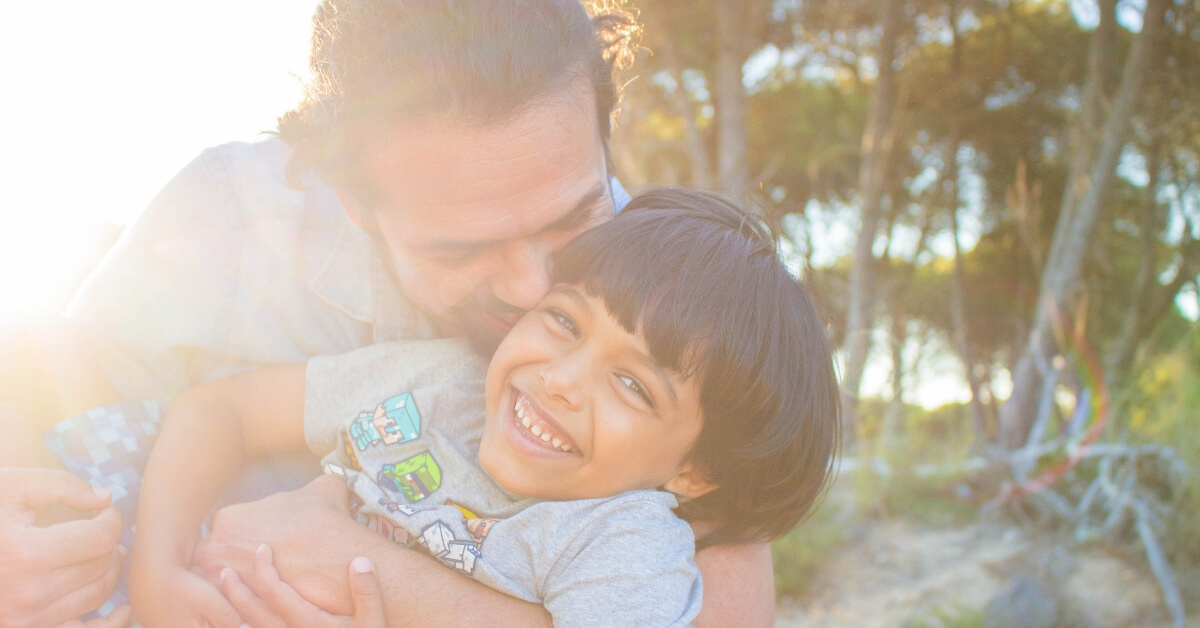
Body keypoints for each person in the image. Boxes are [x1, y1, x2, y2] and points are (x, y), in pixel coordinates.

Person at [0, 1, 776, 626]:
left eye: (571, 219)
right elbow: (47, 369)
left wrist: (372, 579)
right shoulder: (232, 214)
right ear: (354, 205)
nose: (533, 287)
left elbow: (728, 606)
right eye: (457, 250)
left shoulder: (672, 298)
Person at [129, 190, 841, 627]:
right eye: (564, 321)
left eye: (634, 386)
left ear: (696, 470)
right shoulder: (437, 382)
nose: (562, 380)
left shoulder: (621, 546)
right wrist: (155, 573)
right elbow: (221, 410)